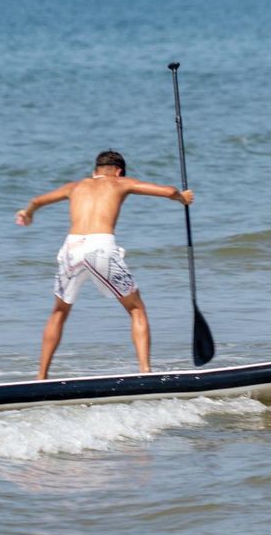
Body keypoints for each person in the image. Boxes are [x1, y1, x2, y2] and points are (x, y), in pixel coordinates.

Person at [15, 150, 194, 379]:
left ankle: (40, 377)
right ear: (118, 172)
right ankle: (145, 371)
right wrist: (182, 198)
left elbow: (37, 201)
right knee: (136, 308)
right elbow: (168, 191)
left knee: (59, 311)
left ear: (95, 170)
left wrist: (27, 213)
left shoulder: (74, 186)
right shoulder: (120, 183)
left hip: (71, 248)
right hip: (101, 247)